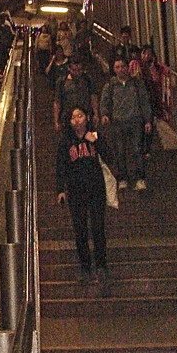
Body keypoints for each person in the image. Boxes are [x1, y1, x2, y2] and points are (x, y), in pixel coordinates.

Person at [56, 107, 109, 290]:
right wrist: (60, 190)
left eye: (80, 116)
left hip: (96, 189)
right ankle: (85, 266)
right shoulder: (66, 142)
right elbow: (60, 166)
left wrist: (95, 141)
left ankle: (101, 265)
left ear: (87, 117)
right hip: (76, 191)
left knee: (97, 227)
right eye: (73, 117)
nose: (77, 120)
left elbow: (109, 156)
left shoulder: (94, 137)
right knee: (80, 230)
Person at [100, 57, 152, 190]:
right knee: (120, 151)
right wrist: (105, 114)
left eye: (122, 66)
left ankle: (140, 178)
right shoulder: (111, 85)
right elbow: (105, 101)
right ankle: (122, 178)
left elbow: (144, 101)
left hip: (135, 120)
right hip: (118, 122)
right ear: (113, 69)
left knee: (137, 149)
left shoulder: (136, 83)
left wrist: (147, 120)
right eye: (117, 67)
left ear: (127, 68)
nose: (120, 70)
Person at [53, 55, 99, 132]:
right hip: (68, 118)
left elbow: (93, 96)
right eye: (74, 70)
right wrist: (56, 120)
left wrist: (96, 114)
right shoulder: (62, 82)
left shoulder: (87, 79)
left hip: (86, 117)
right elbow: (57, 102)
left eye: (79, 70)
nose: (77, 73)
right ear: (69, 68)